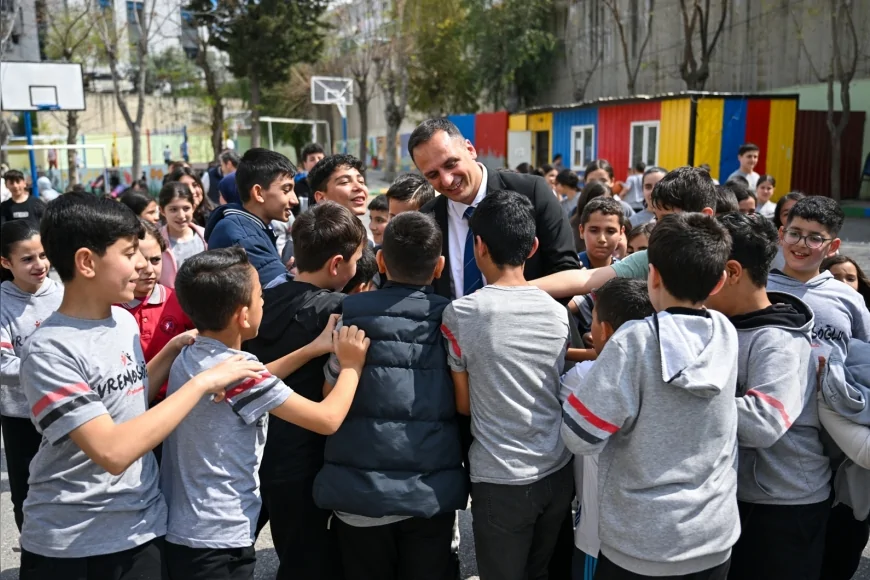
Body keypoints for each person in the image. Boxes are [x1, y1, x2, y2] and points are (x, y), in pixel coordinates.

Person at [16, 195, 263, 580]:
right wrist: (200, 383)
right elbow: (112, 450)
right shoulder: (49, 349)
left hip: (142, 527)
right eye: (130, 252)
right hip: (74, 543)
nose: (142, 265)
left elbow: (129, 402)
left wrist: (171, 350)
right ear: (86, 262)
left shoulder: (122, 322)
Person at [161, 247, 369, 580]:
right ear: (243, 316)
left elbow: (253, 379)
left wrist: (313, 348)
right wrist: (351, 366)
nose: (264, 302)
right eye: (260, 296)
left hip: (186, 526)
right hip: (220, 536)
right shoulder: (242, 376)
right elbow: (327, 419)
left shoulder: (193, 354)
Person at [562, 212, 739, 578]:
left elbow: (579, 435)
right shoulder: (725, 332)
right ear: (720, 281)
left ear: (652, 274)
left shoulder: (634, 341)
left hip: (640, 542)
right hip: (713, 535)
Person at [314, 212, 467, 580]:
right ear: (439, 267)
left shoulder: (350, 312)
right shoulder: (450, 318)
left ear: (380, 261)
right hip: (429, 494)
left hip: (360, 496)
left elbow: (328, 393)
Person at [441, 190, 573, 580]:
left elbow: (464, 405)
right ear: (533, 247)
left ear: (477, 245)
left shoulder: (461, 313)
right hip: (557, 468)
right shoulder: (556, 311)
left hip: (500, 477)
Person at [244, 202, 367, 580]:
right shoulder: (342, 312)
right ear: (336, 265)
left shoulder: (262, 302)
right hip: (311, 460)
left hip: (259, 454)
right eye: (356, 259)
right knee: (314, 560)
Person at [705, 212, 831, 579]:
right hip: (742, 496)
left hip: (784, 506)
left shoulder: (778, 339)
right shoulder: (725, 323)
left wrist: (683, 399)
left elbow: (763, 423)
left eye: (703, 270)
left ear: (731, 272)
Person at [765, 196, 870, 579]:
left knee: (835, 549)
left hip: (838, 445)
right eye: (794, 233)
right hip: (778, 448)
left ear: (833, 246)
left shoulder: (848, 299)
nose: (801, 244)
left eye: (815, 238)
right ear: (781, 234)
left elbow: (864, 360)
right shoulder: (759, 287)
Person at [409, 119, 579, 301]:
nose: (447, 180)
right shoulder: (427, 220)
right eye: (433, 175)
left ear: (470, 149)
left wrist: (509, 300)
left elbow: (566, 271)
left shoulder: (532, 192)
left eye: (451, 164)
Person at [559, 278, 654, 580]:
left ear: (607, 330)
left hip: (598, 534)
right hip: (653, 535)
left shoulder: (584, 378)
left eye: (595, 320)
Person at [531, 166, 719, 299]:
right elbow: (586, 278)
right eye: (657, 218)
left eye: (669, 218)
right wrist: (517, 290)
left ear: (705, 216)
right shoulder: (651, 258)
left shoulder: (725, 262)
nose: (659, 227)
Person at [0, 220, 63, 531]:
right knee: (26, 494)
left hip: (65, 411)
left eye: (42, 255)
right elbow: (3, 365)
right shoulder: (2, 304)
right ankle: (34, 557)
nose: (39, 265)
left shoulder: (66, 294)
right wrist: (48, 369)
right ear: (5, 262)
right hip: (20, 417)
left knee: (67, 491)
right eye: (27, 259)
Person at [119, 220, 195, 406]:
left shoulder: (178, 300)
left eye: (155, 260)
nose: (149, 269)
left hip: (176, 401)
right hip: (130, 405)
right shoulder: (110, 308)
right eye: (139, 261)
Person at [206, 148, 296, 289]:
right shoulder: (242, 238)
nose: (294, 200)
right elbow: (282, 294)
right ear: (258, 192)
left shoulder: (251, 228)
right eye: (286, 190)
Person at [157, 182, 207, 289]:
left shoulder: (205, 236)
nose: (181, 216)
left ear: (193, 207)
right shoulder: (155, 240)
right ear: (162, 210)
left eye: (186, 208)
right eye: (173, 209)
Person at [577, 197, 624, 270]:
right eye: (594, 230)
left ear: (621, 233)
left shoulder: (625, 273)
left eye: (610, 231)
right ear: (582, 231)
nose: (602, 239)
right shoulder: (567, 270)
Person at [295, 143, 326, 210]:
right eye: (312, 159)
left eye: (319, 158)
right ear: (305, 164)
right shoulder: (297, 188)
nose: (317, 161)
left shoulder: (331, 184)